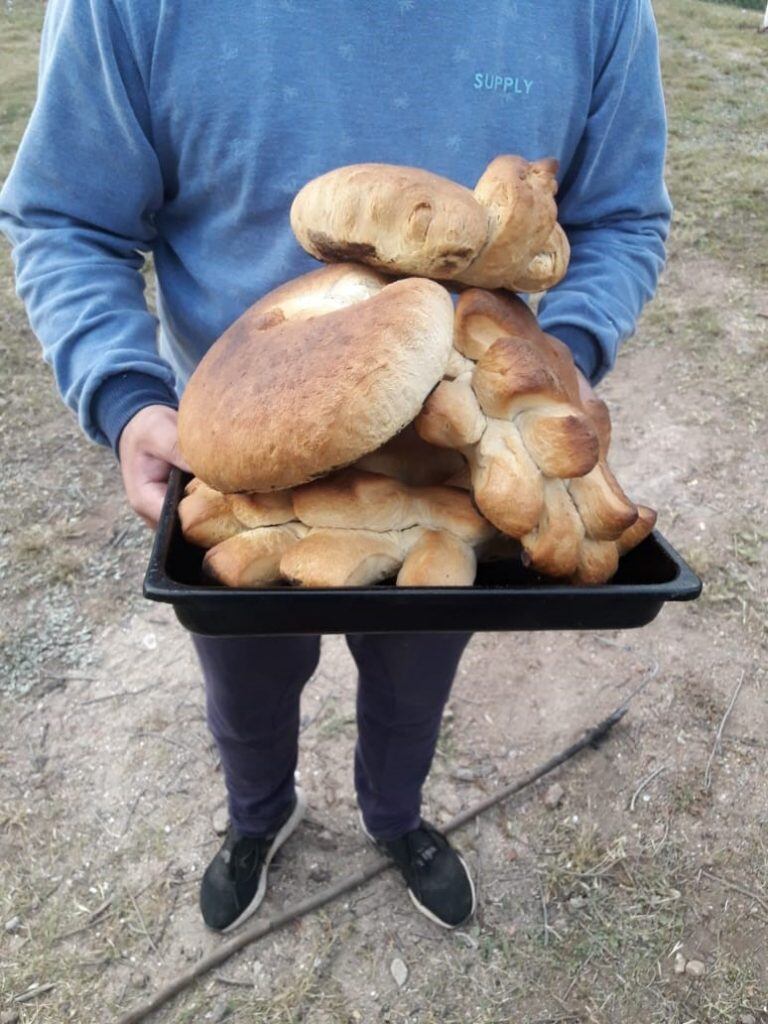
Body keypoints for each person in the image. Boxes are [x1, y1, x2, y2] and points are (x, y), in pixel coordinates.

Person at [0, 0, 671, 933]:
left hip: (465, 480)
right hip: (237, 473)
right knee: (247, 683)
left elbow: (624, 218)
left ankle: (395, 818)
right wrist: (125, 396)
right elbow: (66, 215)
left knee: (415, 675)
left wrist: (536, 374)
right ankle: (258, 819)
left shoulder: (594, 11)